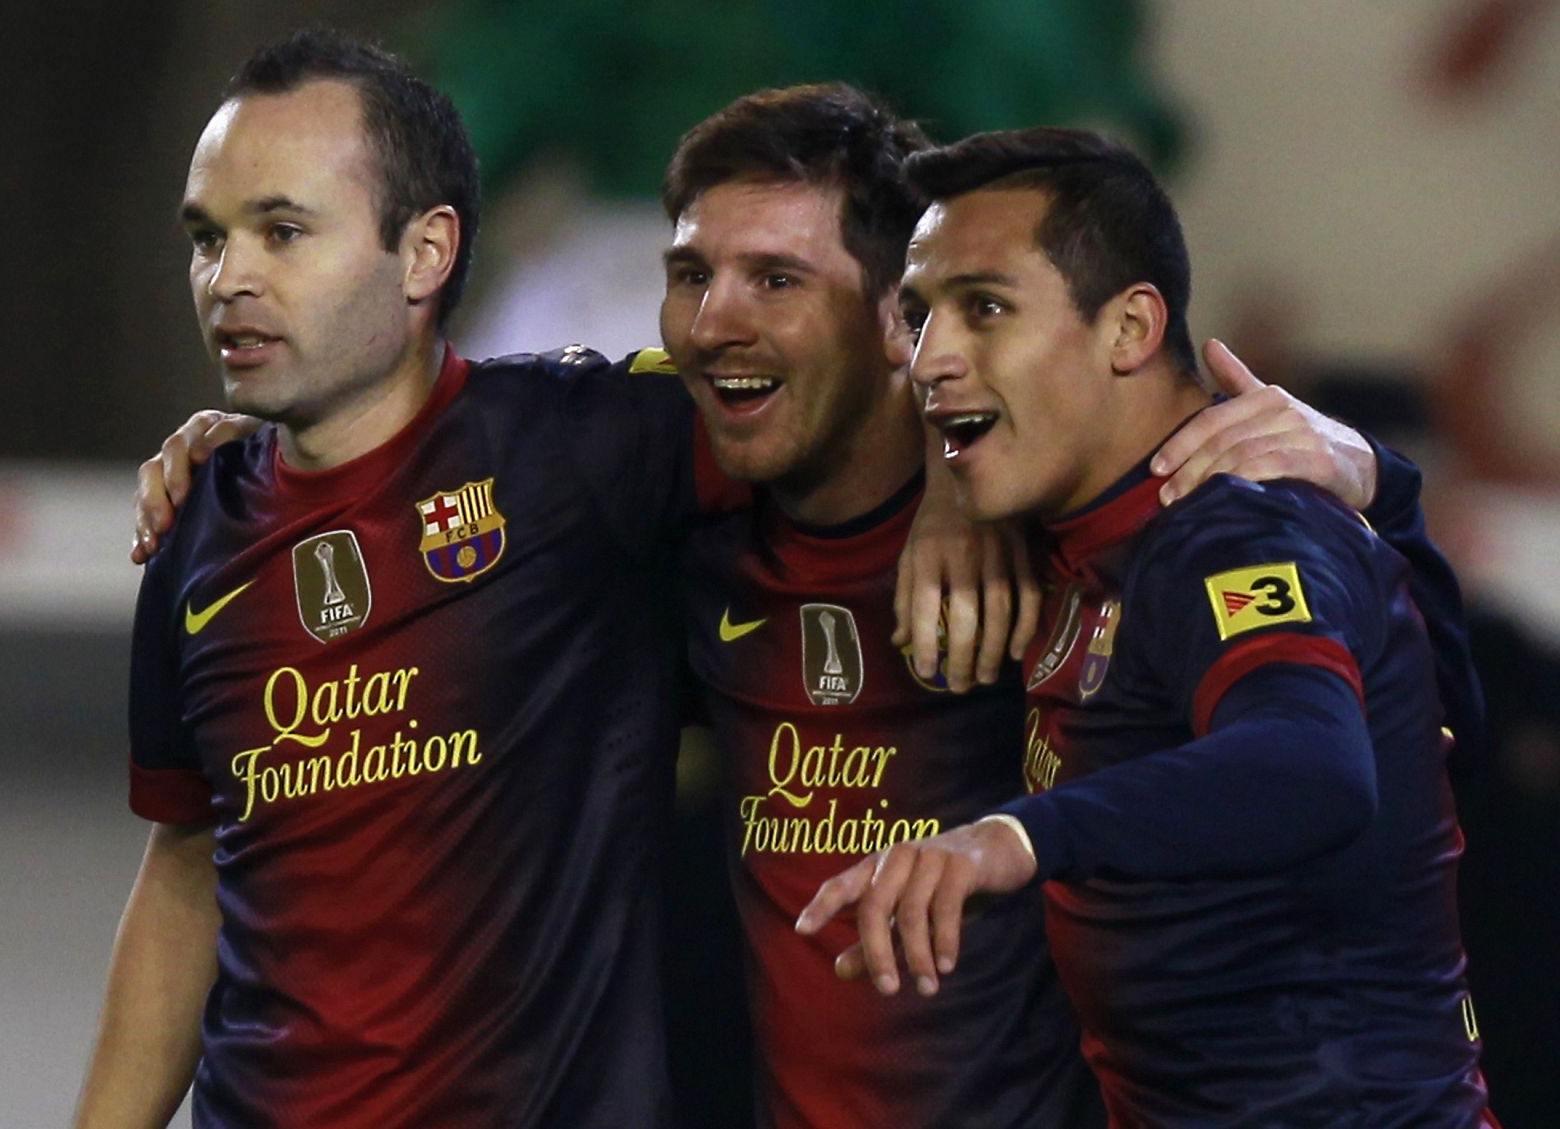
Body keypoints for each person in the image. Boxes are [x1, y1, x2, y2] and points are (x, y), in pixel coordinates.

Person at [132, 77, 1469, 1128]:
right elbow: (446, 432)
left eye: (778, 279)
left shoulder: (1105, 535)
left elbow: (1361, 718)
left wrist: (1366, 475)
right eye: (692, 272)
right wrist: (258, 446)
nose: (717, 318)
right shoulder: (673, 541)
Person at [75, 29, 744, 1128]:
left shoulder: (583, 449)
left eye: (282, 232)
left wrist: (958, 505)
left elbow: (838, 415)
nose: (228, 278)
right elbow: (191, 862)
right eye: (208, 238)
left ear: (426, 252)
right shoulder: (196, 527)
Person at [799, 127, 1496, 1127]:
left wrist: (1008, 840)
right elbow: (1434, 724)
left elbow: (1311, 764)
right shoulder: (1081, 525)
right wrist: (1392, 496)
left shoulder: (1231, 530)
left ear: (1129, 330)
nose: (931, 358)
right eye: (920, 315)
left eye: (984, 308)